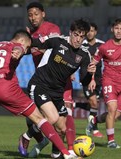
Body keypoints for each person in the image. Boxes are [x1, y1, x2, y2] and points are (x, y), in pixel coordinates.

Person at [0, 30, 77, 159]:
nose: (26, 48)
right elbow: (18, 48)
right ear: (22, 41)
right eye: (27, 46)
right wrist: (19, 51)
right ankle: (66, 154)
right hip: (7, 89)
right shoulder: (17, 46)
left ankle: (41, 143)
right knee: (40, 119)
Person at [19, 18, 96, 158]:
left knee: (62, 128)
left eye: (82, 36)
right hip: (40, 84)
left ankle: (55, 155)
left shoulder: (84, 55)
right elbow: (37, 44)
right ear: (70, 32)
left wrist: (90, 75)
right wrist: (26, 40)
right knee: (53, 118)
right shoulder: (58, 41)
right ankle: (26, 136)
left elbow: (84, 81)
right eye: (76, 35)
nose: (78, 39)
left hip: (57, 91)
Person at [18, 2, 77, 158]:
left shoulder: (52, 29)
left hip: (61, 80)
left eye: (36, 14)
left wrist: (34, 45)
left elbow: (55, 48)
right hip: (43, 80)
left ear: (43, 14)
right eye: (30, 15)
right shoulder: (29, 34)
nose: (33, 17)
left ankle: (61, 151)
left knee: (62, 120)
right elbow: (26, 51)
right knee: (32, 119)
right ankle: (42, 141)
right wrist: (27, 43)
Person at [89, 18, 121, 148]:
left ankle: (95, 121)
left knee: (114, 115)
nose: (119, 31)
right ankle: (111, 142)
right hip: (110, 81)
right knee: (112, 110)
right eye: (117, 28)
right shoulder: (104, 47)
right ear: (112, 29)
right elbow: (93, 63)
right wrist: (92, 79)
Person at [82, 22, 104, 138]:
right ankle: (93, 129)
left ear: (95, 32)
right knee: (94, 102)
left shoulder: (102, 45)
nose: (90, 33)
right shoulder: (81, 45)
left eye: (92, 31)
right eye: (88, 31)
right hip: (86, 79)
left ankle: (76, 104)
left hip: (99, 79)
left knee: (94, 104)